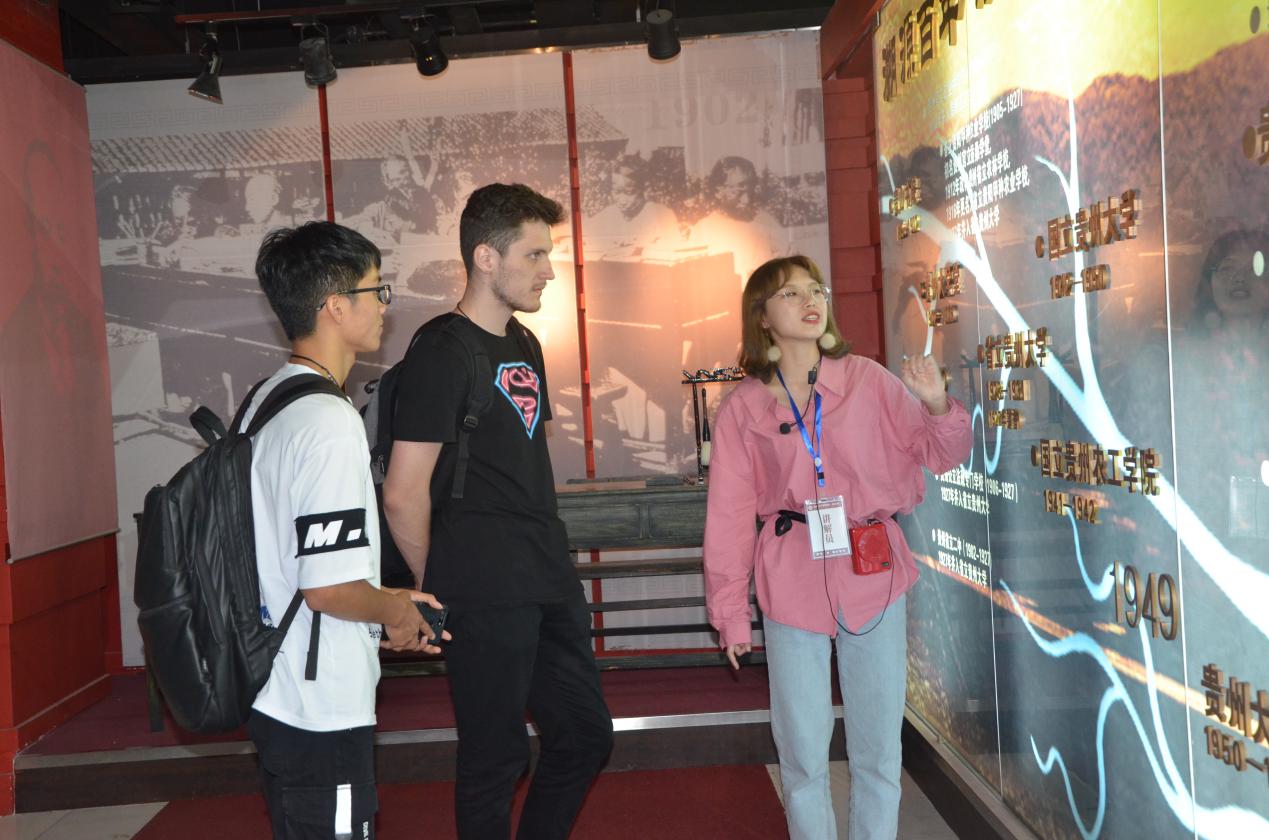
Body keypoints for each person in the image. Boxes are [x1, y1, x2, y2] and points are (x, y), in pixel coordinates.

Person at [703, 256, 971, 840]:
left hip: (873, 567)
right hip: (790, 576)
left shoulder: (867, 381)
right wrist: (730, 613)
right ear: (762, 317)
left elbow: (942, 454)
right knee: (802, 750)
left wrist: (934, 403)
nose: (810, 301)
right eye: (790, 293)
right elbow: (727, 518)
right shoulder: (744, 407)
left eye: (815, 289)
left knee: (878, 746)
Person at [383, 183, 614, 839]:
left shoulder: (524, 342)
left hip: (544, 573)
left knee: (585, 736)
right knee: (495, 758)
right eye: (535, 255)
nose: (549, 271)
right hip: (480, 584)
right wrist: (433, 586)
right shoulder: (440, 352)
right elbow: (402, 490)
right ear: (486, 257)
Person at [246, 221, 449, 840]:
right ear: (336, 306)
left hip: (274, 686)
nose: (385, 303)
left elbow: (295, 558)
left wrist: (387, 600)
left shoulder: (268, 399)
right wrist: (394, 610)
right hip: (319, 703)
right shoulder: (328, 422)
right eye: (376, 289)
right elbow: (328, 589)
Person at [690, 156, 787, 284]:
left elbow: (787, 267)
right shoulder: (701, 230)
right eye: (738, 191)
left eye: (749, 190)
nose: (746, 199)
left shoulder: (767, 222)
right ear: (718, 190)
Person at [583, 154, 681, 255]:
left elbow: (674, 250)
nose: (622, 200)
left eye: (629, 193)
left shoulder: (660, 215)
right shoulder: (608, 214)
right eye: (616, 192)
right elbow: (583, 235)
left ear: (643, 190)